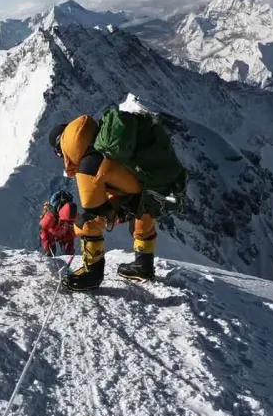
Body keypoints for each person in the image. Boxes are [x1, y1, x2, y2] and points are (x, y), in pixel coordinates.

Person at [47, 104, 187, 291]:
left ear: (61, 150)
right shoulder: (103, 141)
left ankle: (91, 274)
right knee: (144, 208)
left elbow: (94, 214)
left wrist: (108, 211)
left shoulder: (87, 165)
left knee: (87, 221)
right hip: (152, 180)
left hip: (130, 186)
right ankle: (143, 265)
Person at [40, 190, 77, 256]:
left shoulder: (73, 215)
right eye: (66, 221)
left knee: (69, 248)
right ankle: (50, 253)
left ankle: (68, 252)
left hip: (61, 231)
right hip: (51, 233)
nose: (68, 223)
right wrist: (47, 245)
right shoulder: (50, 216)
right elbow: (42, 229)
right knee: (51, 249)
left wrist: (70, 246)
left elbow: (77, 229)